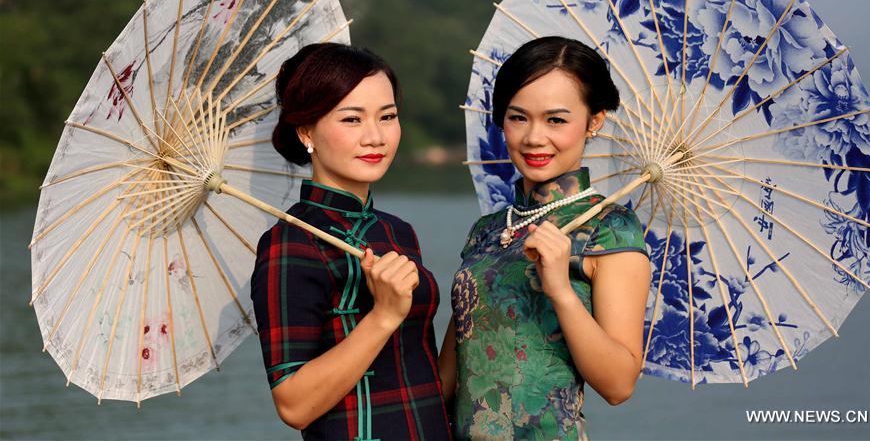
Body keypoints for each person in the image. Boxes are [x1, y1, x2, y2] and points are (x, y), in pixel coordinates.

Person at [438, 36, 651, 440]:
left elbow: (620, 384)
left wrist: (561, 290)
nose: (534, 138)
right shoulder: (487, 230)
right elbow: (448, 379)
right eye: (518, 117)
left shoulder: (611, 227)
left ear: (594, 121)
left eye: (556, 120)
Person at [251, 43, 451, 440]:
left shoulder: (397, 232)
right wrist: (383, 316)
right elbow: (293, 404)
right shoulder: (290, 243)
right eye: (352, 119)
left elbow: (423, 375)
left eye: (388, 116)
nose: (375, 136)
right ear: (306, 130)